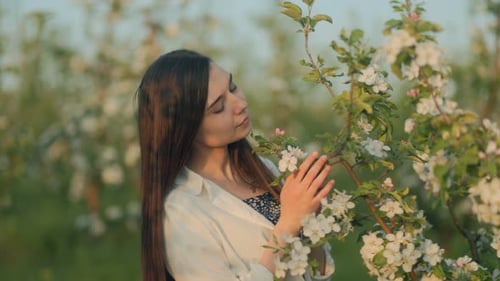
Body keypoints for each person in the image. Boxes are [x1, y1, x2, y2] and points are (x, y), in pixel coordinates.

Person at [136, 49, 336, 281]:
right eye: (218, 106)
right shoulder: (181, 213)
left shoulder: (264, 168)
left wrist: (310, 220)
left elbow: (315, 273)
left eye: (232, 87)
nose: (240, 103)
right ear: (186, 128)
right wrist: (288, 224)